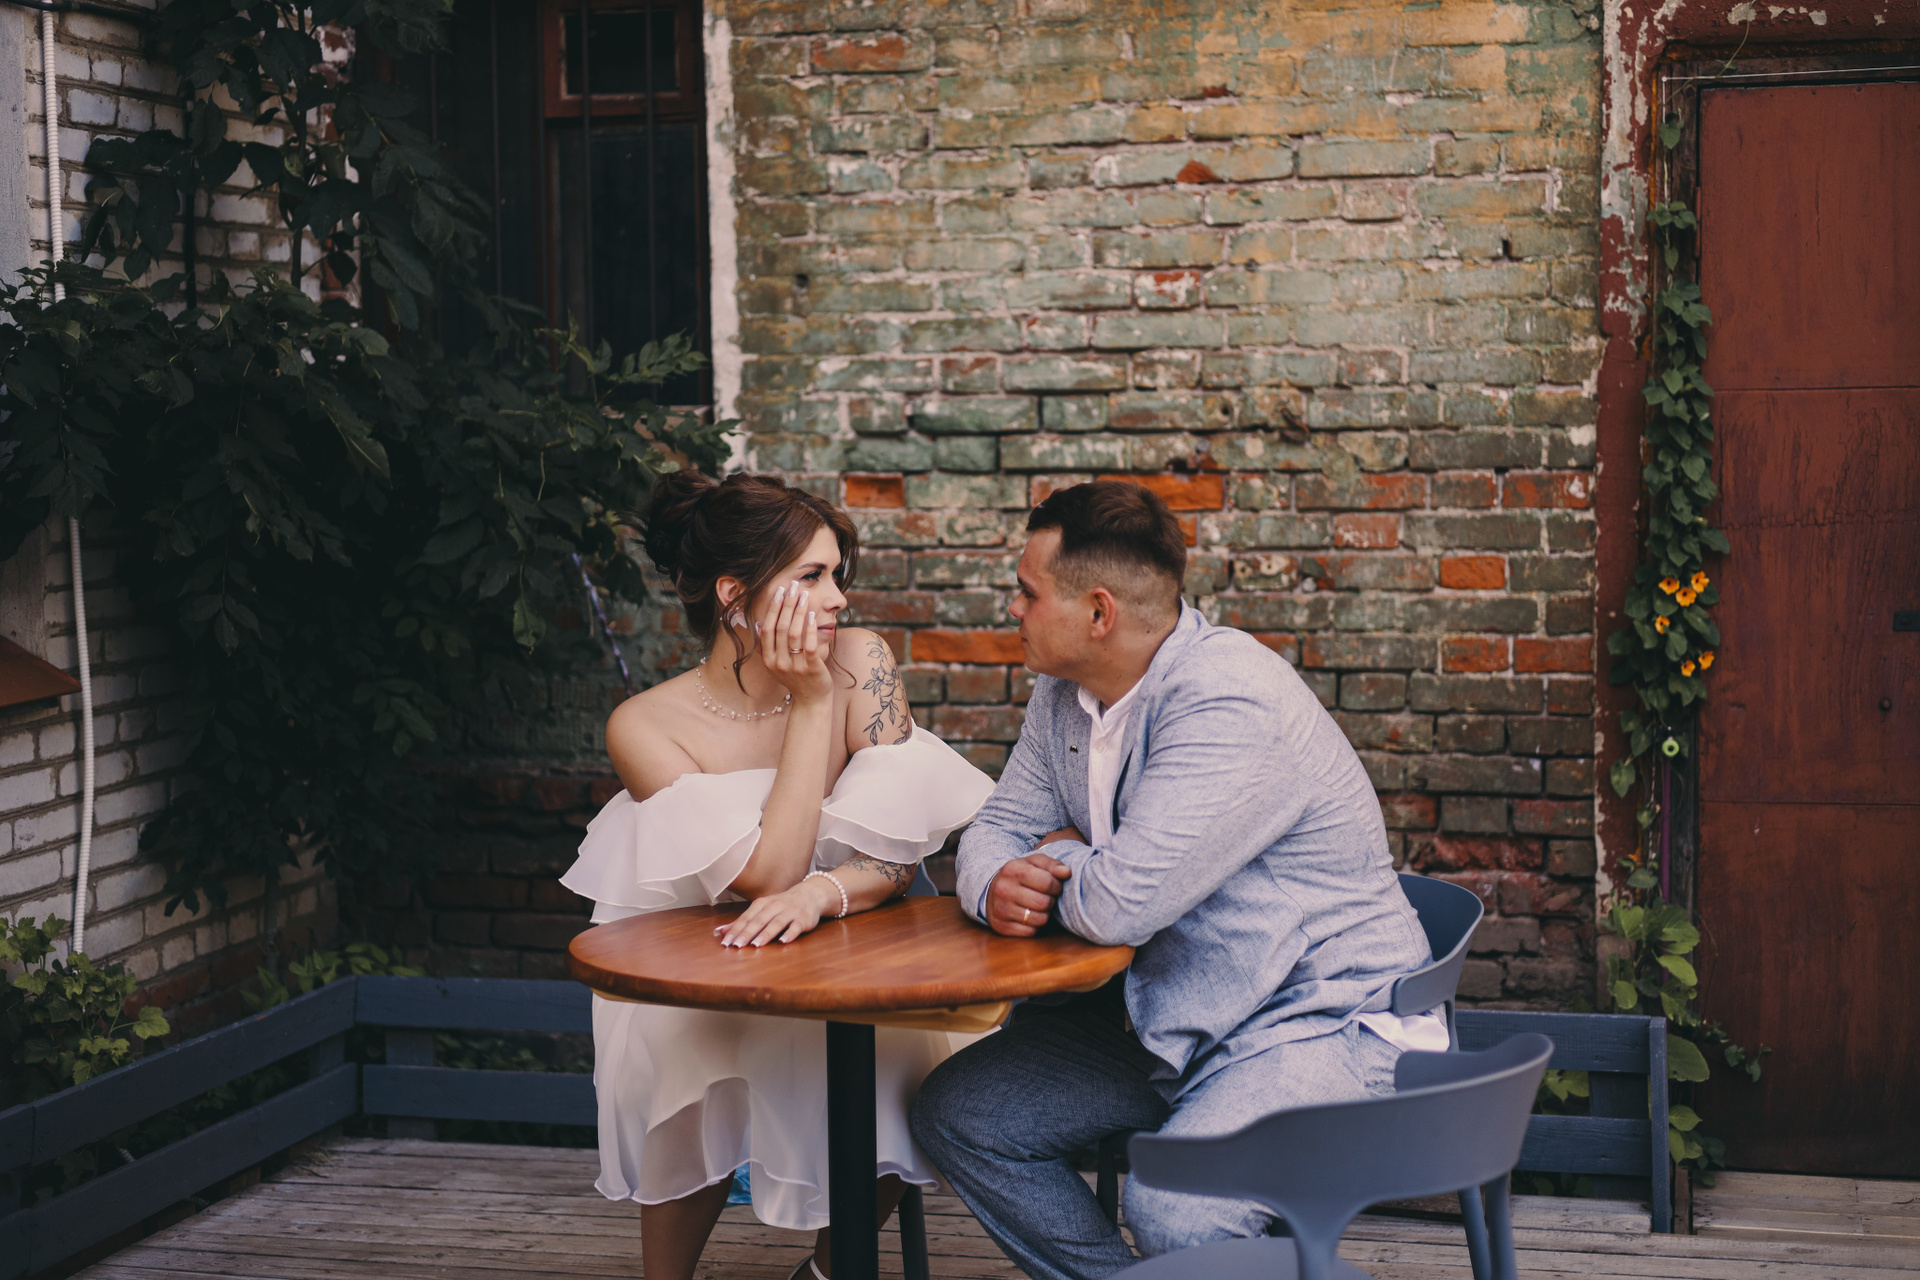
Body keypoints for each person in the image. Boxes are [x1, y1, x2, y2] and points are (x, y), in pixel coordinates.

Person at [908, 480, 1442, 1280]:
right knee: (964, 1114)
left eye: (1026, 592)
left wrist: (1059, 859)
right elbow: (994, 830)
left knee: (1178, 1212)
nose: (1011, 608)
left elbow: (1121, 905)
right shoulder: (1064, 694)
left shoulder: (1228, 698)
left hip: (1309, 1014)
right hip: (1169, 1013)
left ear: (1098, 613)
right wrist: (992, 885)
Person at [562, 471, 994, 1280]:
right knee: (689, 1057)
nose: (837, 599)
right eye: (812, 577)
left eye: (837, 575)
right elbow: (765, 876)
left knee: (905, 1062)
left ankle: (827, 1273)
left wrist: (823, 894)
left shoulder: (863, 661)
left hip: (855, 950)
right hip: (700, 971)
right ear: (735, 596)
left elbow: (897, 853)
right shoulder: (645, 726)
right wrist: (810, 705)